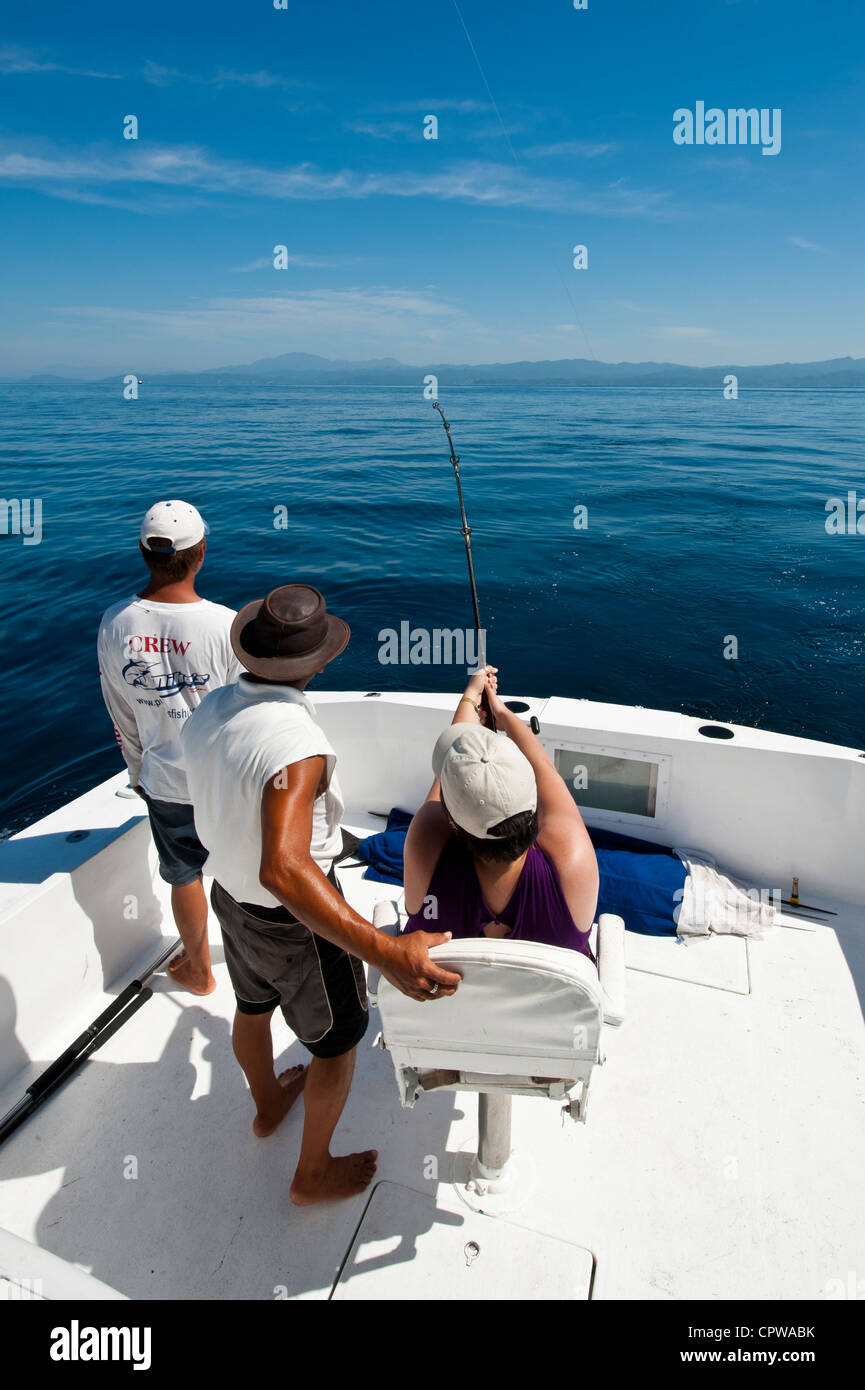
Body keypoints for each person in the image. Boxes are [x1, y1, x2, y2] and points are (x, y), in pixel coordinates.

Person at [182, 583, 460, 1205]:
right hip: (292, 923)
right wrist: (386, 954)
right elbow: (284, 868)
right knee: (336, 1045)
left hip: (229, 897)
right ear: (319, 663)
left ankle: (267, 1107)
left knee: (251, 1008)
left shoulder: (209, 709)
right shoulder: (298, 747)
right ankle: (311, 1172)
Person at [97, 500, 241, 995]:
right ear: (201, 553)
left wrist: (139, 773)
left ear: (144, 552)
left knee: (184, 875)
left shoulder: (115, 622)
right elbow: (246, 713)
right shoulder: (226, 624)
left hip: (165, 783)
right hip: (224, 782)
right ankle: (260, 967)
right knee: (247, 869)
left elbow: (121, 711)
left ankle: (199, 969)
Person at [403, 665, 599, 956]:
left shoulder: (425, 847)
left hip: (455, 1002)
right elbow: (545, 769)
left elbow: (446, 776)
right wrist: (503, 713)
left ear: (453, 823)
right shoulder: (573, 863)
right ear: (533, 801)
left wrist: (471, 695)